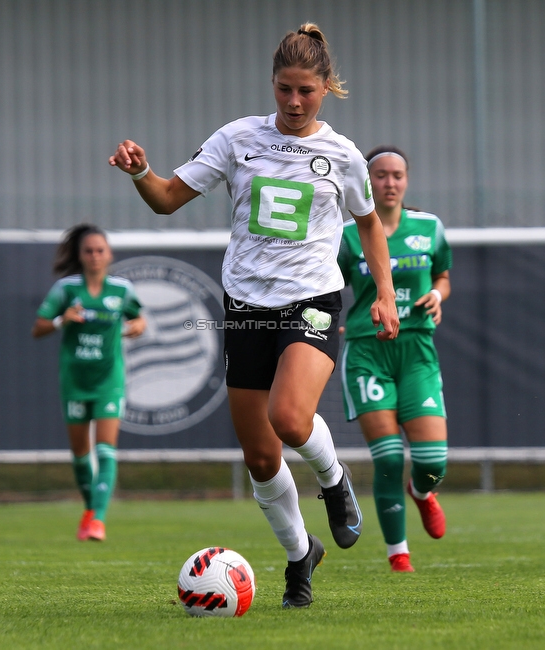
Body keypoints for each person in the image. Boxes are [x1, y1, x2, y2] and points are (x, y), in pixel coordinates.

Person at [109, 23, 399, 608]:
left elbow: (368, 223)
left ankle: (336, 482)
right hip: (244, 306)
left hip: (311, 300)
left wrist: (386, 293)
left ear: (327, 89)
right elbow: (167, 199)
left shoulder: (342, 156)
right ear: (273, 84)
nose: (294, 103)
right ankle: (300, 559)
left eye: (306, 92)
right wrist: (142, 172)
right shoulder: (238, 139)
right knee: (262, 459)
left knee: (291, 418)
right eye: (284, 90)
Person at [337, 146, 451, 572]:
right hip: (368, 350)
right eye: (380, 175)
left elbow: (442, 275)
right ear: (366, 181)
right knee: (386, 457)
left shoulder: (429, 227)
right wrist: (331, 321)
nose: (389, 183)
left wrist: (438, 293)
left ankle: (422, 492)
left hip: (417, 349)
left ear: (406, 180)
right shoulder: (348, 234)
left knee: (432, 462)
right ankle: (398, 555)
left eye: (397, 175)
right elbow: (327, 286)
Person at [32, 224, 145, 541]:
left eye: (100, 250)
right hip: (75, 379)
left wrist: (138, 325)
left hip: (108, 379)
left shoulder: (122, 290)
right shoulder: (66, 289)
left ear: (109, 254)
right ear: (80, 256)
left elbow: (139, 317)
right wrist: (60, 320)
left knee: (106, 450)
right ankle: (90, 510)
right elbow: (38, 327)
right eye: (88, 251)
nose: (95, 256)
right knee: (81, 455)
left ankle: (97, 520)